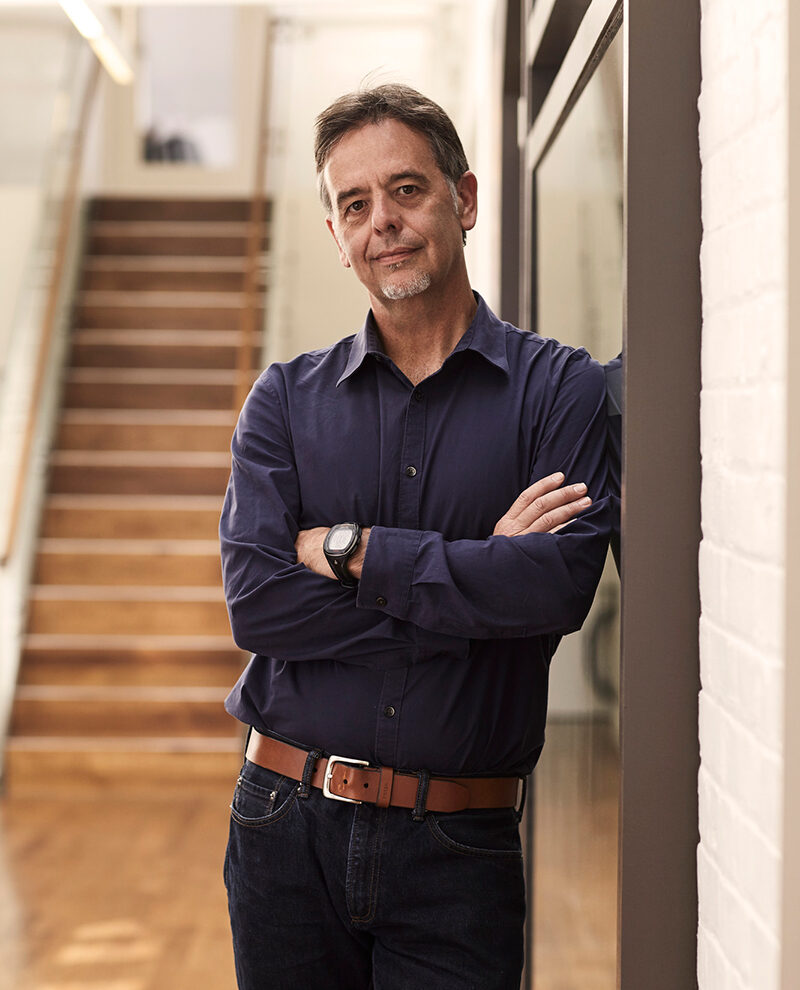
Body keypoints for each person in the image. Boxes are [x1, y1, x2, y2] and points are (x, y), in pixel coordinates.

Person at [220, 83, 612, 990]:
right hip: (283, 825)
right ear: (335, 235)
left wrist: (353, 554)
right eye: (354, 205)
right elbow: (260, 606)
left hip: (458, 851)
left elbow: (552, 591)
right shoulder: (284, 401)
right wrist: (477, 590)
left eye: (406, 190)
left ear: (463, 200)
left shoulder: (560, 393)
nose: (382, 222)